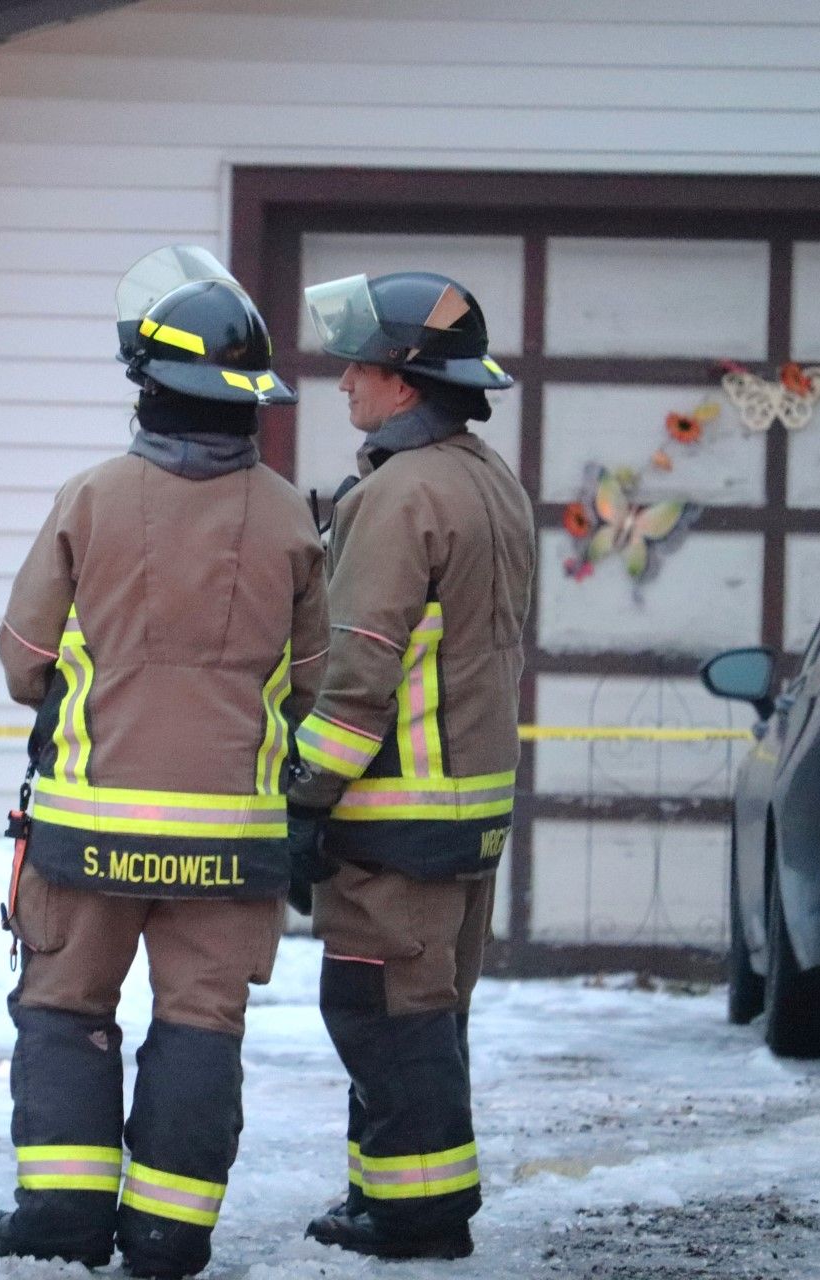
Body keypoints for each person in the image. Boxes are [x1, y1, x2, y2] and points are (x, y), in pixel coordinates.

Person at [0, 246, 329, 1279]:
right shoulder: (292, 520)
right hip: (231, 844)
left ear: (150, 388)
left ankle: (64, 1216)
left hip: (88, 830)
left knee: (66, 1005)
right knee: (200, 1022)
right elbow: (314, 680)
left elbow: (21, 662)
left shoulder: (88, 498)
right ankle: (171, 1232)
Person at [287, 270, 535, 1261]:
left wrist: (304, 796)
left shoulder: (401, 495)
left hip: (394, 815)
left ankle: (420, 1210)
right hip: (462, 808)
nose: (344, 380)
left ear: (404, 379)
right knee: (424, 1006)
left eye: (360, 364)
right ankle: (394, 1197)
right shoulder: (487, 478)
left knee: (381, 1007)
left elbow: (356, 676)